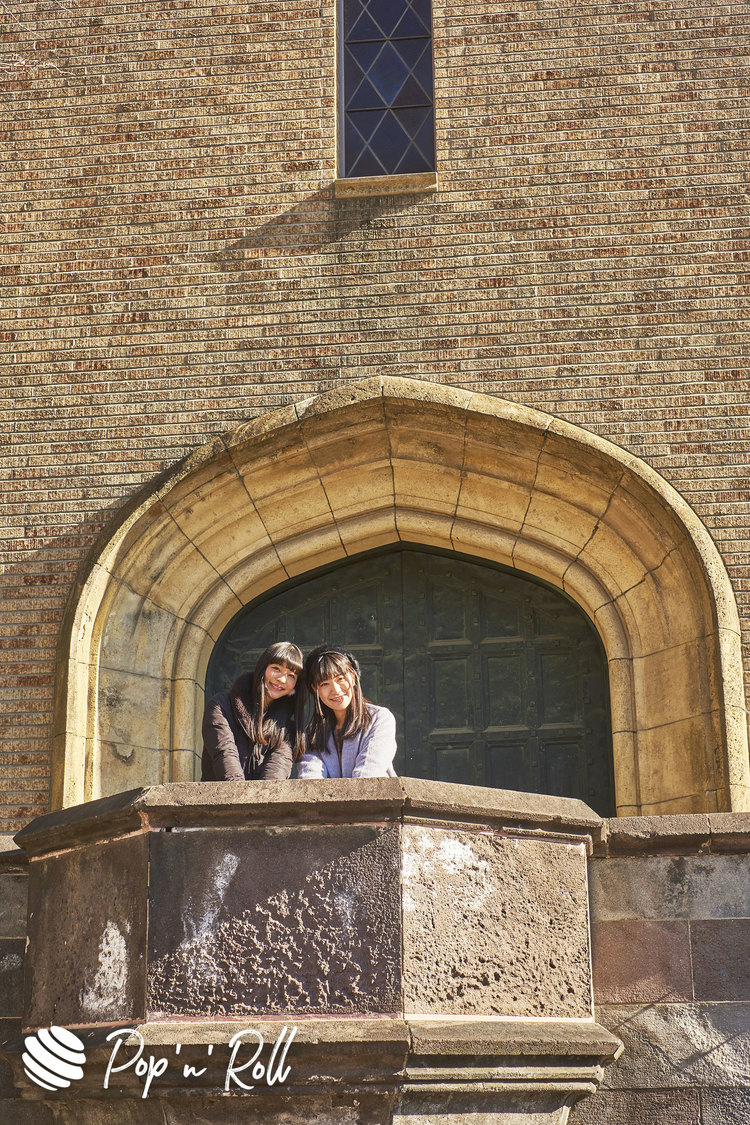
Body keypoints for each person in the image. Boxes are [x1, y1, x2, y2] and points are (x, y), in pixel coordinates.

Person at [201, 641, 304, 780]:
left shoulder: (287, 729)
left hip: (264, 794)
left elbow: (277, 772)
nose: (282, 679)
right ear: (262, 668)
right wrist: (239, 791)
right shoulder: (221, 705)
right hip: (222, 792)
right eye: (276, 668)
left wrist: (264, 794)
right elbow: (224, 753)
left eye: (291, 675)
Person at [296, 645, 397, 778]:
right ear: (315, 688)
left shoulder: (379, 718)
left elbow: (369, 773)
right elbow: (310, 778)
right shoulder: (312, 733)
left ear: (354, 677)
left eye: (340, 679)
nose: (336, 690)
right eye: (325, 684)